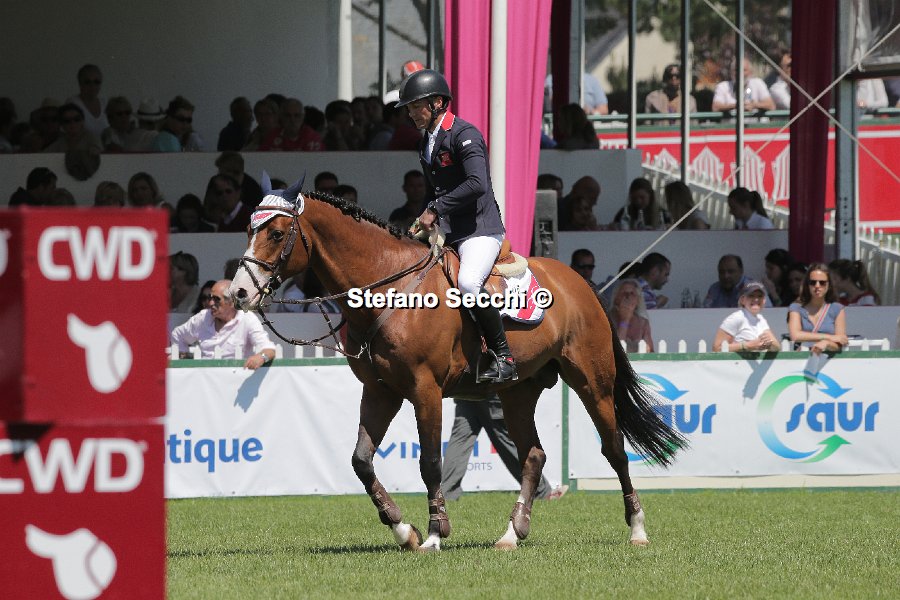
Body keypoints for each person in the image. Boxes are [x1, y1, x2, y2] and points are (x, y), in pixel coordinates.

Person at [400, 69, 516, 383]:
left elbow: (477, 184)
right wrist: (420, 221)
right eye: (409, 108)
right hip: (450, 231)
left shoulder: (465, 134)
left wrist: (436, 210)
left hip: (480, 229)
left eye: (416, 106)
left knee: (467, 284)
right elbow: (433, 189)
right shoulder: (426, 142)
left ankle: (504, 356)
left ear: (438, 102)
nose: (411, 113)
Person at [441, 396, 565, 501]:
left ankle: (447, 495)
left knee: (459, 441)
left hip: (465, 388)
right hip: (489, 386)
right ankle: (540, 492)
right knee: (509, 442)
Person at [171, 279, 276, 369]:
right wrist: (182, 357)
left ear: (232, 302)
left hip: (235, 379)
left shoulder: (247, 319)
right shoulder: (203, 317)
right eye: (210, 298)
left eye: (216, 299)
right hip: (205, 381)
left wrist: (261, 357)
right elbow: (178, 335)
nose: (211, 303)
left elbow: (269, 349)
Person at [788, 263, 848, 355]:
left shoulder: (837, 309)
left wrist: (826, 343)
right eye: (813, 282)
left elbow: (840, 342)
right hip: (802, 360)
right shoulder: (796, 307)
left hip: (827, 361)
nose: (817, 286)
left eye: (822, 283)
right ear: (807, 285)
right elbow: (795, 335)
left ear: (829, 285)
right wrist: (830, 337)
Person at [712, 281, 781, 353]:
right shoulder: (736, 318)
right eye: (751, 296)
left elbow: (777, 347)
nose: (756, 299)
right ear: (742, 300)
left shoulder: (761, 319)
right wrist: (747, 345)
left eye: (760, 296)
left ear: (764, 301)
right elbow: (717, 348)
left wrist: (769, 342)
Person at [703, 254, 770, 308]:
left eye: (731, 272)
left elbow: (768, 313)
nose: (725, 276)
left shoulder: (754, 288)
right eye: (721, 272)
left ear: (741, 271)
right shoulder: (714, 288)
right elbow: (704, 311)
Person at [259, 98, 323, 151]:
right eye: (288, 115)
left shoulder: (312, 137)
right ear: (281, 117)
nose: (292, 120)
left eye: (296, 115)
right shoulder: (273, 136)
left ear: (303, 117)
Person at [608, 279, 654, 352]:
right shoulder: (607, 319)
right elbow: (616, 350)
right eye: (624, 293)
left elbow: (650, 351)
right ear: (616, 298)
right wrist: (625, 320)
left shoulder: (643, 323)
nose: (628, 297)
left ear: (638, 300)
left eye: (632, 293)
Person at [66, 64, 108, 139]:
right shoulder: (72, 103)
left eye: (96, 82)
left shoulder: (105, 103)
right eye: (87, 82)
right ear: (80, 84)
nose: (92, 86)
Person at [545, 72, 609, 115]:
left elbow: (604, 109)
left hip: (585, 125)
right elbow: (553, 101)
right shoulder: (551, 79)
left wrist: (590, 112)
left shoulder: (592, 80)